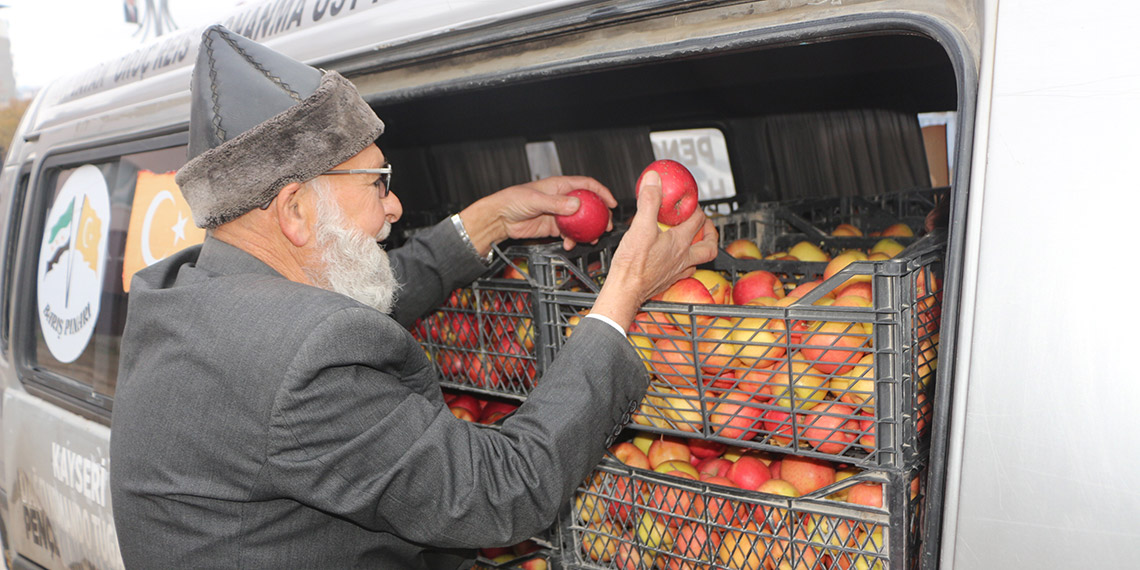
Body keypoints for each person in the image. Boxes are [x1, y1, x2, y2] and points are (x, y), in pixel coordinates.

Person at [108, 25, 717, 569]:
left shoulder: (193, 296)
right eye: (377, 182)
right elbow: (503, 491)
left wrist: (489, 221)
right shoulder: (300, 363)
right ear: (295, 208)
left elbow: (343, 301)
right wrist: (626, 288)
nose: (394, 206)